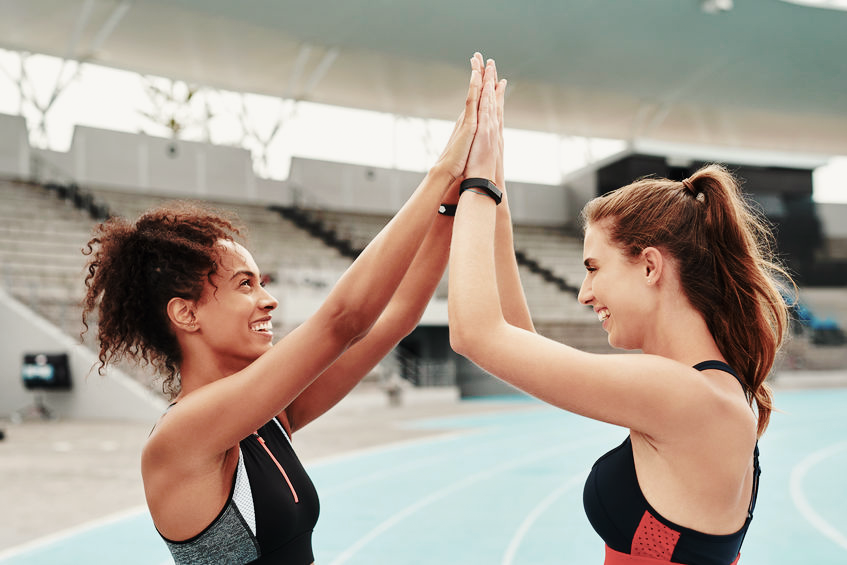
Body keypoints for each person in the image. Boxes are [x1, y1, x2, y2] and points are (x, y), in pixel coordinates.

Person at [81, 53, 487, 565]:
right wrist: (442, 169)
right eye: (245, 284)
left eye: (263, 282)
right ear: (186, 314)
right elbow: (345, 321)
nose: (267, 299)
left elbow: (398, 315)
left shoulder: (269, 417)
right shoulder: (182, 438)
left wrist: (456, 197)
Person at [448, 58, 792, 564]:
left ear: (650, 266)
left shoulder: (683, 394)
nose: (584, 293)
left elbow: (476, 334)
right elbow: (518, 338)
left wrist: (474, 187)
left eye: (593, 268)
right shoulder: (702, 388)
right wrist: (495, 192)